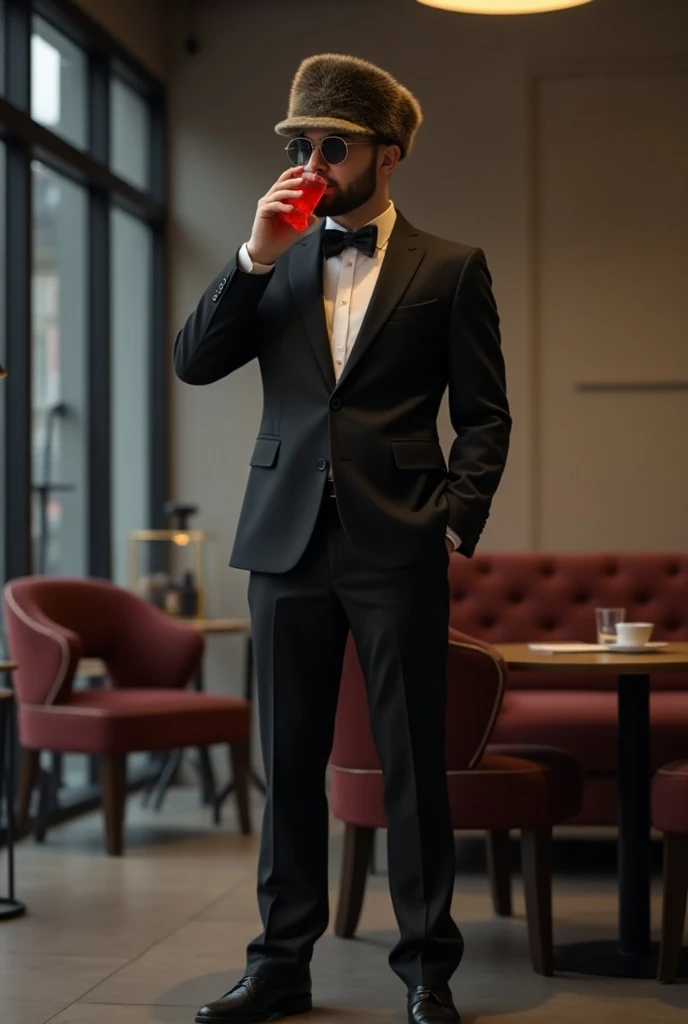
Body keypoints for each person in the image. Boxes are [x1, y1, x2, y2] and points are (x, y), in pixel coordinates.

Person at [174, 53, 511, 1024]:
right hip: (282, 542)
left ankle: (426, 970)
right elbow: (194, 363)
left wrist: (455, 519)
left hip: (397, 542)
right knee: (290, 769)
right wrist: (253, 253)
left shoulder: (449, 268)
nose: (310, 160)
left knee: (412, 762)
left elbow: (485, 415)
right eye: (297, 144)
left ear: (386, 155)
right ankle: (280, 962)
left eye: (332, 145)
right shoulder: (273, 259)